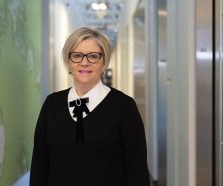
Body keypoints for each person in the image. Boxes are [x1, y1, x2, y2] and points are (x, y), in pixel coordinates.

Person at [30, 27, 150, 186]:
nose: (84, 62)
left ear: (104, 62)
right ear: (68, 61)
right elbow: (40, 164)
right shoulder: (52, 105)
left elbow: (137, 170)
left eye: (93, 56)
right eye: (77, 56)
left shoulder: (124, 107)